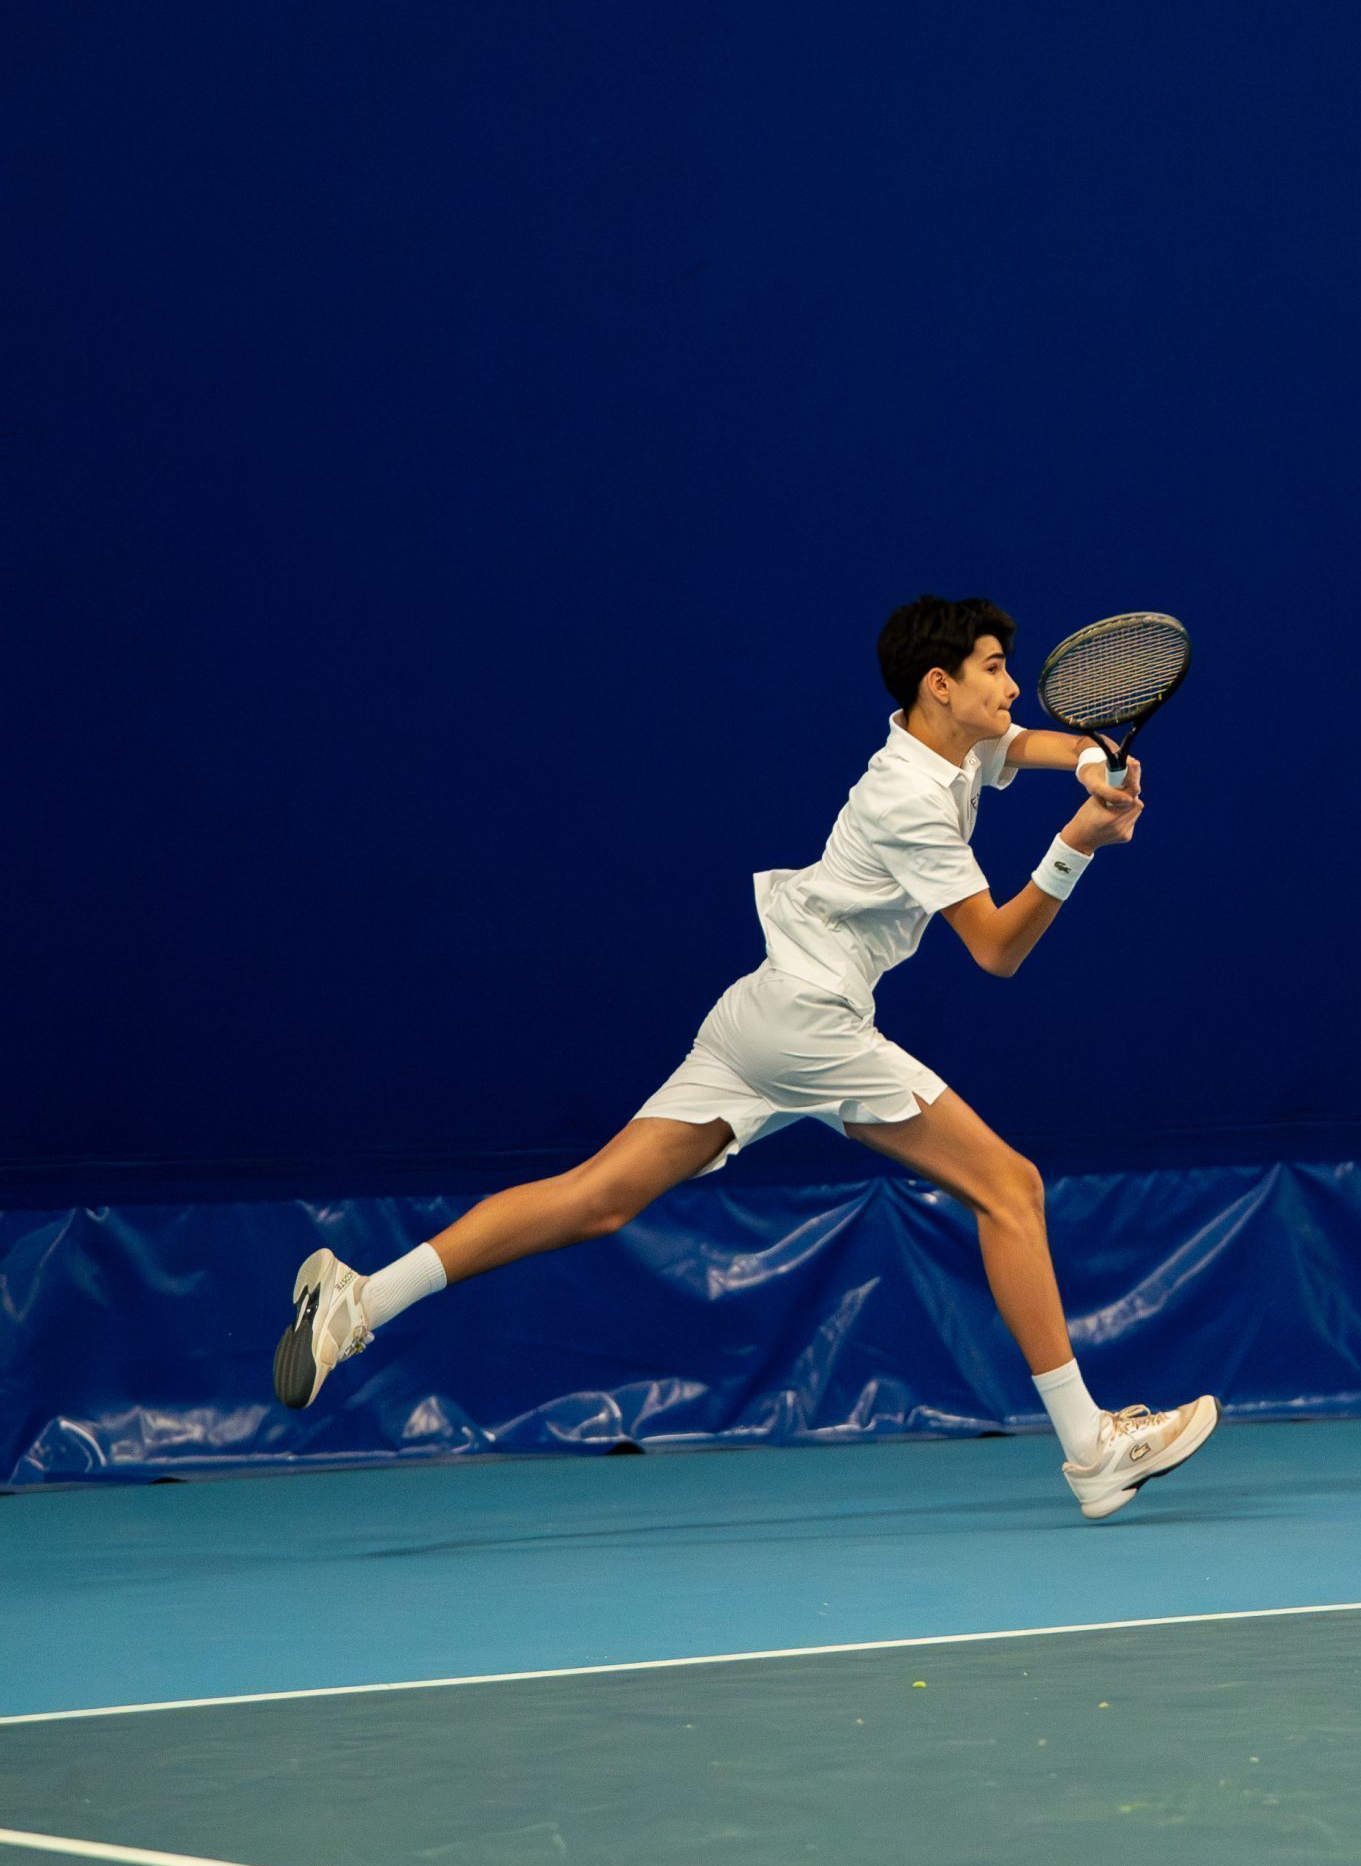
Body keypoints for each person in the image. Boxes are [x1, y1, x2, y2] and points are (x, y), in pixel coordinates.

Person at [272, 593, 1218, 1520]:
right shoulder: (907, 800)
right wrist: (1076, 843)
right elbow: (997, 950)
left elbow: (1017, 746)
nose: (1013, 688)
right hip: (813, 1022)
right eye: (996, 669)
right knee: (1010, 1189)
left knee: (596, 1199)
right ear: (940, 684)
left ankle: (361, 1300)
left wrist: (1090, 759)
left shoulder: (945, 744)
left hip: (763, 1011)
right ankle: (1091, 1446)